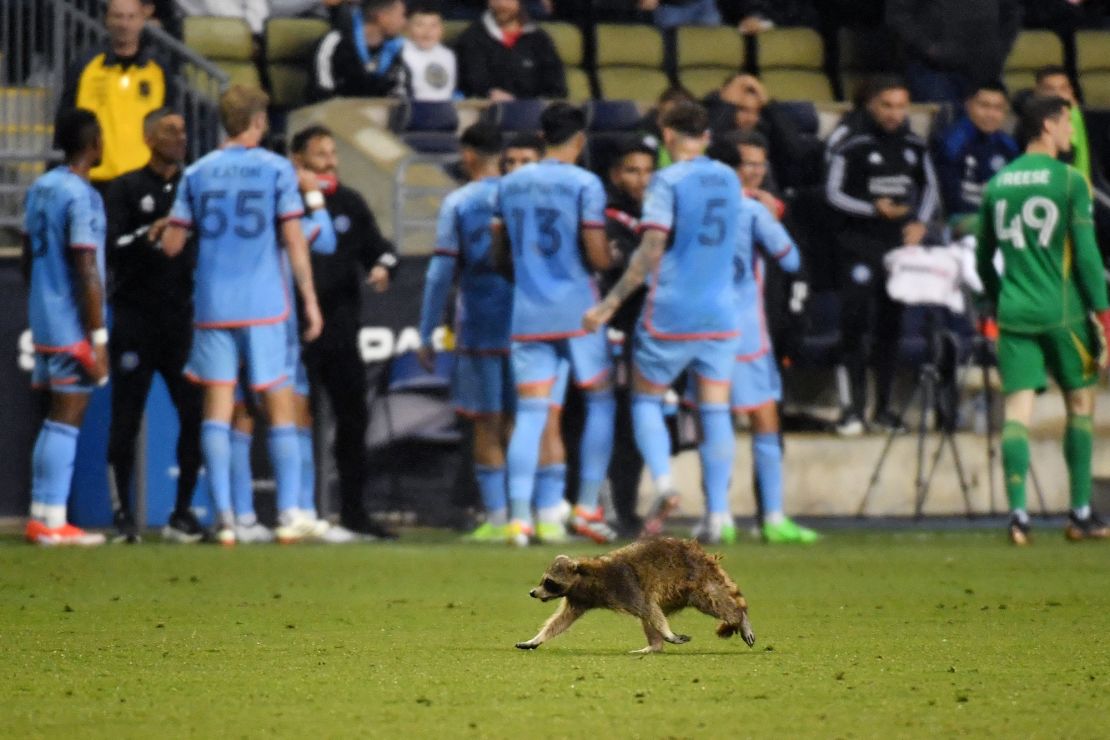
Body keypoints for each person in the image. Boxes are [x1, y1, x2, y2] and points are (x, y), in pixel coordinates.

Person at [161, 85, 324, 546]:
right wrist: (309, 300)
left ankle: (227, 520)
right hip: (265, 304)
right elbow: (294, 240)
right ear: (258, 121)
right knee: (278, 402)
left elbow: (173, 245)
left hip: (213, 304)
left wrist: (167, 231)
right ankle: (291, 513)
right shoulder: (275, 170)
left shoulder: (197, 172)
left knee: (217, 407)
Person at [584, 101, 742, 541]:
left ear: (667, 136)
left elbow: (651, 249)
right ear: (705, 135)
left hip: (672, 310)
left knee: (646, 400)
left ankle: (666, 485)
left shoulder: (667, 180)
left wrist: (609, 303)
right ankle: (720, 515)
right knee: (714, 410)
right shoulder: (729, 177)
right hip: (721, 313)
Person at [976, 95, 1110, 545]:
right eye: (1068, 123)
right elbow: (1088, 259)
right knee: (1080, 406)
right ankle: (1080, 514)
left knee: (1016, 414)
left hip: (1015, 312)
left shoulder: (998, 184)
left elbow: (982, 261)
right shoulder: (1070, 181)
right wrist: (1105, 316)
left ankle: (1018, 517)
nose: (1072, 132)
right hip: (1064, 312)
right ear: (1049, 125)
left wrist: (1002, 300)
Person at [493, 103, 617, 547]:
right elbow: (598, 253)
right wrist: (613, 258)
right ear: (579, 140)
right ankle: (585, 506)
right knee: (601, 401)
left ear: (543, 137)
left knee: (530, 414)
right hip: (579, 310)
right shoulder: (585, 183)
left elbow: (497, 254)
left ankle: (519, 519)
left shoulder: (510, 183)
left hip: (528, 312)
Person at [225, 167, 357, 543]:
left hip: (231, 317)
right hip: (271, 323)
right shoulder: (285, 219)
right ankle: (287, 512)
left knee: (247, 413)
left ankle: (245, 517)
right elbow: (326, 239)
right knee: (263, 413)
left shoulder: (232, 216)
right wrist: (312, 194)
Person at [704, 134, 819, 544]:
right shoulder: (751, 209)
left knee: (713, 418)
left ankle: (719, 517)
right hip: (743, 331)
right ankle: (771, 516)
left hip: (699, 327)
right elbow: (791, 258)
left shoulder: (692, 204)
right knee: (762, 419)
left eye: (758, 165)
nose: (752, 173)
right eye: (745, 165)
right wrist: (769, 215)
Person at [290, 125, 399, 539]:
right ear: (298, 160)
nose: (331, 162)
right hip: (292, 329)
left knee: (353, 420)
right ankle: (296, 510)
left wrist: (383, 266)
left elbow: (381, 248)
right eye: (321, 155)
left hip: (339, 329)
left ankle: (353, 512)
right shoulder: (283, 201)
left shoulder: (349, 203)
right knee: (293, 421)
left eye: (333, 153)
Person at [103, 108, 204, 544]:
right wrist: (151, 233)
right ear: (148, 138)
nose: (180, 138)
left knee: (195, 414)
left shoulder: (194, 186)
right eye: (170, 131)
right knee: (126, 417)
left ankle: (182, 513)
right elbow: (112, 246)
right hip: (134, 319)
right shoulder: (126, 187)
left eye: (182, 131)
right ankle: (123, 516)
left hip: (181, 322)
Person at [825, 76, 939, 435]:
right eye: (887, 105)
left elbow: (931, 188)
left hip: (897, 250)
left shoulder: (914, 145)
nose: (894, 113)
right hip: (857, 246)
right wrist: (873, 209)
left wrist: (920, 223)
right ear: (872, 105)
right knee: (854, 325)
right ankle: (852, 409)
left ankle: (884, 410)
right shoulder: (852, 143)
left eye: (901, 106)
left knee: (891, 327)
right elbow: (833, 193)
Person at [418, 123, 513, 541]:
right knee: (527, 421)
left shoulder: (459, 201)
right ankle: (529, 511)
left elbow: (440, 272)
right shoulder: (520, 194)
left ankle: (498, 518)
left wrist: (427, 329)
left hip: (480, 325)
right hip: (529, 326)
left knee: (486, 423)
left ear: (469, 155)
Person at [23, 109, 110, 546]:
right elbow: (86, 268)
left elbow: (26, 255)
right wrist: (97, 337)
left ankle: (42, 515)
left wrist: (38, 303)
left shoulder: (41, 187)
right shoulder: (81, 197)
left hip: (42, 316)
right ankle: (53, 521)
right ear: (94, 144)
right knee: (69, 414)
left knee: (57, 416)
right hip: (70, 323)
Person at [599, 137, 654, 535]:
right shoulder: (607, 219)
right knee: (610, 421)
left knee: (636, 425)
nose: (642, 179)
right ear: (616, 175)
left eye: (648, 170)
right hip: (613, 330)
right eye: (633, 170)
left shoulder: (658, 215)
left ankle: (627, 508)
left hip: (648, 332)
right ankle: (603, 506)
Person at [58, 0, 174, 189]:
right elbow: (66, 120)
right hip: (95, 179)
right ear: (107, 20)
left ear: (142, 20)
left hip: (143, 180)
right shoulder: (85, 66)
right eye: (118, 17)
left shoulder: (159, 70)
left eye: (131, 17)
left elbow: (170, 124)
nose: (124, 24)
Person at [885, 0, 1021, 104]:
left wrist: (998, 50)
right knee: (939, 128)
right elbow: (898, 15)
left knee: (986, 131)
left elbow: (1011, 12)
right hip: (934, 71)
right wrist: (928, 49)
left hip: (985, 69)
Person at [934, 82, 1019, 237]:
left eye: (998, 108)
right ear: (969, 105)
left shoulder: (1008, 146)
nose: (991, 114)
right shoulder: (952, 142)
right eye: (984, 106)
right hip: (961, 218)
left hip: (1000, 218)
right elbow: (950, 200)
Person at [454, 0, 566, 101]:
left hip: (537, 113)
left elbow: (557, 87)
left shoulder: (540, 39)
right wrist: (489, 94)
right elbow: (474, 84)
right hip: (490, 113)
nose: (502, 4)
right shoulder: (471, 38)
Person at [310, 0, 410, 101]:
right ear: (382, 17)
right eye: (401, 16)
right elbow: (322, 93)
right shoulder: (334, 43)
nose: (405, 22)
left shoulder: (398, 50)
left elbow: (400, 96)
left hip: (379, 113)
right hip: (333, 113)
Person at [1034, 66, 1092, 183]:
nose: (1058, 94)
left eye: (1063, 89)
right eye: (1050, 89)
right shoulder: (1029, 123)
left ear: (1071, 91)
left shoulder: (1084, 119)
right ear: (1037, 92)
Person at [403, 3, 458, 102]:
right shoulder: (401, 53)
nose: (427, 32)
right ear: (408, 27)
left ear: (441, 29)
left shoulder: (447, 55)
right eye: (420, 25)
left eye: (433, 25)